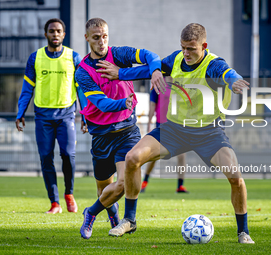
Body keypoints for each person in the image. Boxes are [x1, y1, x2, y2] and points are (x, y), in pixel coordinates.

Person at [105, 23, 255, 244]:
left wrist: (234, 82)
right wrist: (120, 74)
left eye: (192, 49)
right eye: (183, 47)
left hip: (209, 133)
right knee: (132, 158)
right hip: (174, 129)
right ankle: (129, 220)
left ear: (204, 46)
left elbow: (228, 73)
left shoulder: (213, 64)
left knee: (236, 177)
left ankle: (243, 232)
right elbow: (150, 69)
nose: (186, 53)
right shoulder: (176, 59)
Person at [76, 18, 165, 240]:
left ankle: (91, 213)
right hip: (101, 136)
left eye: (105, 36)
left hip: (127, 131)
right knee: (104, 191)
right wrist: (122, 103)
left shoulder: (120, 54)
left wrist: (154, 70)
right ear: (87, 38)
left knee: (123, 183)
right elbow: (101, 103)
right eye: (96, 37)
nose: (101, 41)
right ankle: (113, 214)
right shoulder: (83, 71)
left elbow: (150, 56)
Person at [16, 18, 84, 214]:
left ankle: (69, 194)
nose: (55, 34)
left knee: (68, 155)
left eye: (59, 31)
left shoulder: (74, 57)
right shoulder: (35, 58)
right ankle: (54, 203)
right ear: (46, 34)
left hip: (66, 115)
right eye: (52, 31)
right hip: (43, 117)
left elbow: (81, 89)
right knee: (46, 158)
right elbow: (27, 88)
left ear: (64, 34)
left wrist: (85, 115)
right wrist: (20, 112)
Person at [141, 78, 188, 193]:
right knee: (154, 156)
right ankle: (144, 181)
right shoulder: (158, 88)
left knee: (181, 156)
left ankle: (180, 186)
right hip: (162, 127)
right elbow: (152, 107)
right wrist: (149, 124)